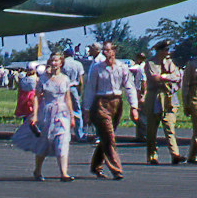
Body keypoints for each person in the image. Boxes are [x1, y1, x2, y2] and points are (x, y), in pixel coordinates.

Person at [11, 51, 75, 181]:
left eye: (57, 60)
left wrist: (72, 115)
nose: (54, 63)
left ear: (61, 62)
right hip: (47, 111)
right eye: (52, 60)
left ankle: (64, 173)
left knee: (63, 140)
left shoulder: (65, 79)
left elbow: (67, 98)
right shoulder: (43, 79)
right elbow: (36, 97)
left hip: (62, 112)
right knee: (44, 141)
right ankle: (38, 170)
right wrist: (34, 115)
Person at [84, 41, 139, 180]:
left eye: (108, 50)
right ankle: (116, 169)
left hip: (116, 103)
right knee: (109, 137)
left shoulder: (122, 67)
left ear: (114, 51)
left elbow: (129, 87)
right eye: (104, 51)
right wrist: (86, 109)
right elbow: (90, 89)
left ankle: (96, 166)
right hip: (101, 103)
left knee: (106, 137)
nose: (106, 53)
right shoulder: (97, 68)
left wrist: (134, 107)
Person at [142, 39, 182, 164]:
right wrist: (167, 78)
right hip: (155, 97)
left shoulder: (170, 63)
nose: (167, 52)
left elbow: (177, 76)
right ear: (159, 51)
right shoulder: (150, 64)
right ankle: (152, 156)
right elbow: (155, 78)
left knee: (169, 126)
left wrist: (165, 77)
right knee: (152, 129)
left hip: (168, 97)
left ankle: (175, 154)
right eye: (165, 50)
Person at [60, 46, 86, 142]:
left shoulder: (63, 64)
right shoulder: (78, 64)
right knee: (77, 111)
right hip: (74, 87)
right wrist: (80, 91)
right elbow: (81, 80)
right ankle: (79, 134)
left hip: (63, 88)